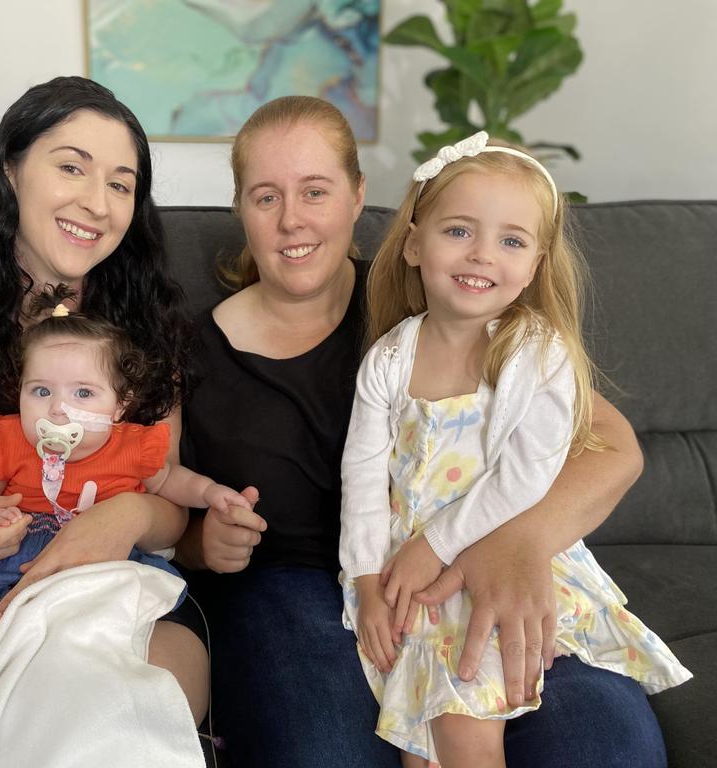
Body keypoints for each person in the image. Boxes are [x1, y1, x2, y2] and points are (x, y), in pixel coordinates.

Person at [176, 95, 668, 767]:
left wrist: (517, 543)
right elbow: (159, 512)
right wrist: (203, 541)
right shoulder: (190, 353)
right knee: (344, 751)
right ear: (239, 207)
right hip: (301, 586)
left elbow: (610, 447)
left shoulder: (440, 298)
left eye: (315, 191)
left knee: (608, 745)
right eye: (266, 197)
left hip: (473, 554)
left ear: (357, 196)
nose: (292, 218)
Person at [338, 132, 691, 767]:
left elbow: (529, 474)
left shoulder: (535, 352)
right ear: (414, 242)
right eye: (458, 231)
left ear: (535, 264)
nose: (481, 255)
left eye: (510, 240)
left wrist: (435, 546)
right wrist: (365, 579)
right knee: (419, 745)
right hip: (413, 575)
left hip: (495, 553)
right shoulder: (390, 358)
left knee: (463, 730)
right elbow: (361, 476)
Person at [0, 76, 209, 722]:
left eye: (120, 184)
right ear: (10, 171)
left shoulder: (147, 336)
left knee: (141, 704)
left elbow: (169, 507)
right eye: (71, 168)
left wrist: (133, 515)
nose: (97, 202)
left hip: (114, 588)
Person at [0, 289, 248, 693]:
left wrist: (213, 494)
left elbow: (172, 483)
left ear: (120, 404)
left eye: (83, 393)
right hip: (9, 563)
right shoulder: (11, 443)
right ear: (19, 392)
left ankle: (18, 647)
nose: (58, 409)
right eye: (41, 391)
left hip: (95, 573)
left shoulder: (130, 447)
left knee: (107, 633)